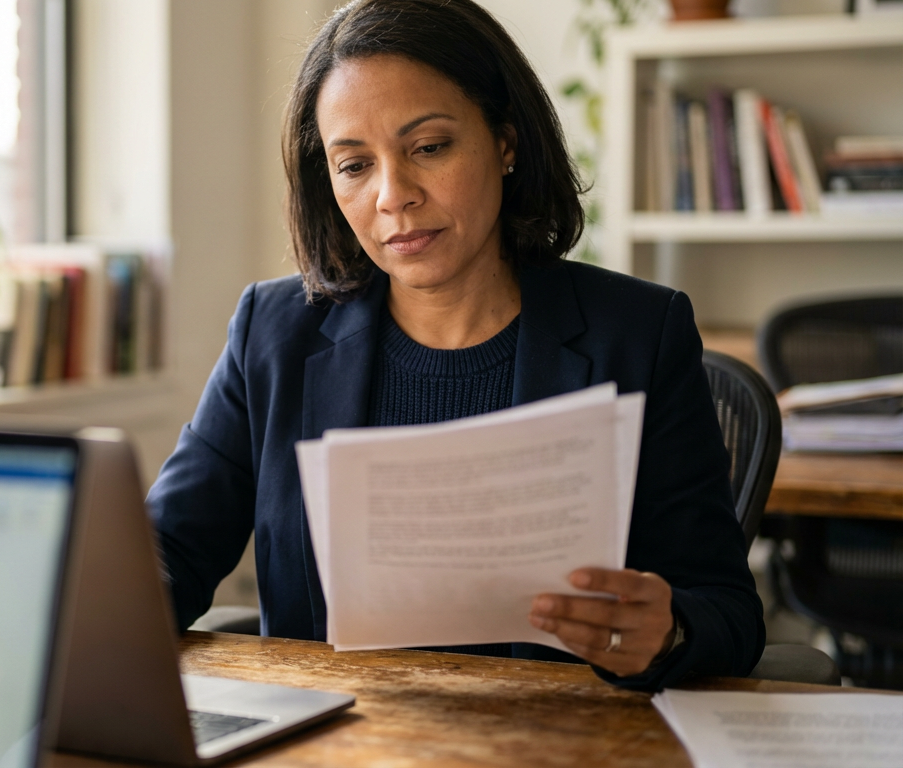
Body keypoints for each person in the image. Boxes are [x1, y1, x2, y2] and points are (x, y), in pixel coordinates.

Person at [147, 0, 763, 691]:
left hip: (555, 746)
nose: (394, 196)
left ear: (505, 142)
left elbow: (729, 614)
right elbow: (168, 551)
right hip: (332, 743)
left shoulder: (639, 334)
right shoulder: (274, 330)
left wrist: (667, 632)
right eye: (354, 166)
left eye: (429, 148)